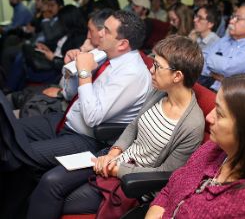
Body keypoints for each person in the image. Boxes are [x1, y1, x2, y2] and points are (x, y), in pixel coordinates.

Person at [27, 35, 205, 219]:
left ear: (177, 76)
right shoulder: (159, 92)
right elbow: (133, 126)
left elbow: (165, 173)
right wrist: (113, 153)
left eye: (157, 66)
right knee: (50, 181)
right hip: (113, 159)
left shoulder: (192, 125)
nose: (151, 70)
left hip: (132, 182)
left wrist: (116, 169)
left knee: (57, 196)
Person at [0, 10, 152, 173]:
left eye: (106, 31)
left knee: (14, 155)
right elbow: (71, 94)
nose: (99, 33)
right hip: (67, 120)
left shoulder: (132, 74)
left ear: (122, 44)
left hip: (87, 138)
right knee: (7, 131)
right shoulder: (105, 54)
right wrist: (71, 69)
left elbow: (92, 117)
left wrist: (84, 73)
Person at [146, 74, 245, 218]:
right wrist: (154, 211)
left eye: (220, 113)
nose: (209, 117)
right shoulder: (214, 148)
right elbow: (172, 186)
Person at [199, 2, 245, 91]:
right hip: (211, 87)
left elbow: (229, 67)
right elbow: (199, 59)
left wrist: (210, 60)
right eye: (233, 17)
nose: (231, 21)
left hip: (235, 96)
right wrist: (213, 73)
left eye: (237, 18)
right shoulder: (227, 38)